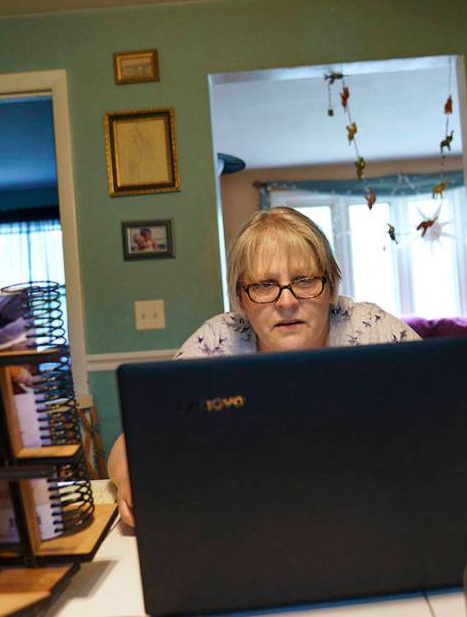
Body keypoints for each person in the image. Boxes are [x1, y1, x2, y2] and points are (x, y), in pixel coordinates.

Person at [108, 206, 419, 525]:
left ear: (331, 289)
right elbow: (131, 440)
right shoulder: (218, 340)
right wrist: (131, 479)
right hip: (250, 522)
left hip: (370, 515)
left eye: (305, 280)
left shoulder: (370, 328)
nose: (286, 302)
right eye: (265, 285)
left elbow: (444, 405)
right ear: (242, 300)